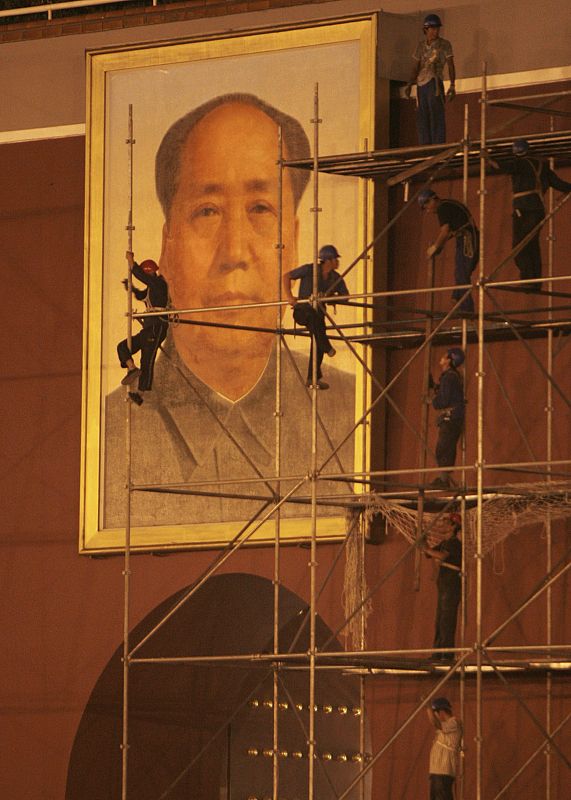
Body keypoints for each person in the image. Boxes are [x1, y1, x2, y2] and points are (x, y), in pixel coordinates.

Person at [103, 94, 356, 528]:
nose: (234, 252)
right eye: (207, 211)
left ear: (292, 240)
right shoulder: (107, 436)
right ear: (168, 245)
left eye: (260, 208)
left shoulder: (351, 411)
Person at [489, 139, 571, 292]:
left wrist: (487, 157)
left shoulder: (519, 163)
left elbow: (498, 166)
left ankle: (527, 279)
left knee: (520, 245)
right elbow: (559, 184)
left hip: (523, 209)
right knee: (532, 244)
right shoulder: (542, 166)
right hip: (537, 209)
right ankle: (535, 281)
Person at [282, 244, 349, 390]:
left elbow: (346, 297)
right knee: (319, 331)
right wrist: (289, 297)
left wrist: (329, 297)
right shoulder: (310, 269)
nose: (338, 262)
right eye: (335, 259)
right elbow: (286, 276)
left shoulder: (335, 278)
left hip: (318, 315)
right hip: (303, 311)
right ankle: (326, 346)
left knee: (318, 336)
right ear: (329, 260)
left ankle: (313, 378)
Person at [117, 250, 169, 406]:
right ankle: (132, 368)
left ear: (151, 272)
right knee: (122, 346)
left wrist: (132, 263)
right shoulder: (152, 286)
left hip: (156, 326)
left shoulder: (159, 283)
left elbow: (143, 277)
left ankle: (140, 393)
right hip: (148, 327)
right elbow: (141, 296)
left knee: (147, 359)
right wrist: (131, 288)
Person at [419, 189, 479, 314]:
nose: (428, 211)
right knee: (460, 272)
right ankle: (456, 298)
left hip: (467, 239)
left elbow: (445, 232)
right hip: (465, 238)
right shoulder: (449, 205)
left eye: (427, 206)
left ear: (433, 199)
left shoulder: (442, 207)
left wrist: (435, 247)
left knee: (462, 273)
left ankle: (467, 310)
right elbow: (451, 233)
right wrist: (439, 247)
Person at [404, 14, 456, 145]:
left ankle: (437, 146)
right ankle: (425, 147)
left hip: (435, 82)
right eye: (432, 28)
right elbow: (415, 66)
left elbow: (450, 64)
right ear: (425, 30)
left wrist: (452, 85)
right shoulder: (420, 46)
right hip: (421, 85)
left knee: (436, 114)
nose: (435, 31)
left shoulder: (444, 44)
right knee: (422, 116)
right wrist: (410, 84)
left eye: (437, 28)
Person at [423, 513, 462, 663]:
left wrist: (426, 549)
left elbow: (441, 556)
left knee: (447, 619)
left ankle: (446, 654)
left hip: (451, 583)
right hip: (444, 582)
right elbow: (429, 553)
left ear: (453, 526)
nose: (442, 523)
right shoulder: (445, 542)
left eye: (446, 521)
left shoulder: (454, 543)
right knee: (440, 619)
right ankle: (438, 652)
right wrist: (423, 542)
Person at [428, 347, 465, 489]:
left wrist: (432, 400)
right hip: (453, 418)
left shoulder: (449, 377)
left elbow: (443, 400)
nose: (441, 359)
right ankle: (444, 479)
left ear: (449, 360)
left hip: (451, 418)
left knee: (443, 448)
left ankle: (444, 480)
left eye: (444, 356)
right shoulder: (452, 376)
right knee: (445, 448)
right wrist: (435, 387)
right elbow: (447, 392)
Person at [426, 696, 462, 800]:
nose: (436, 716)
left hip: (443, 772)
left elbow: (436, 723)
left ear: (441, 711)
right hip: (437, 773)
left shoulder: (454, 723)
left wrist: (427, 707)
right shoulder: (446, 726)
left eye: (435, 713)